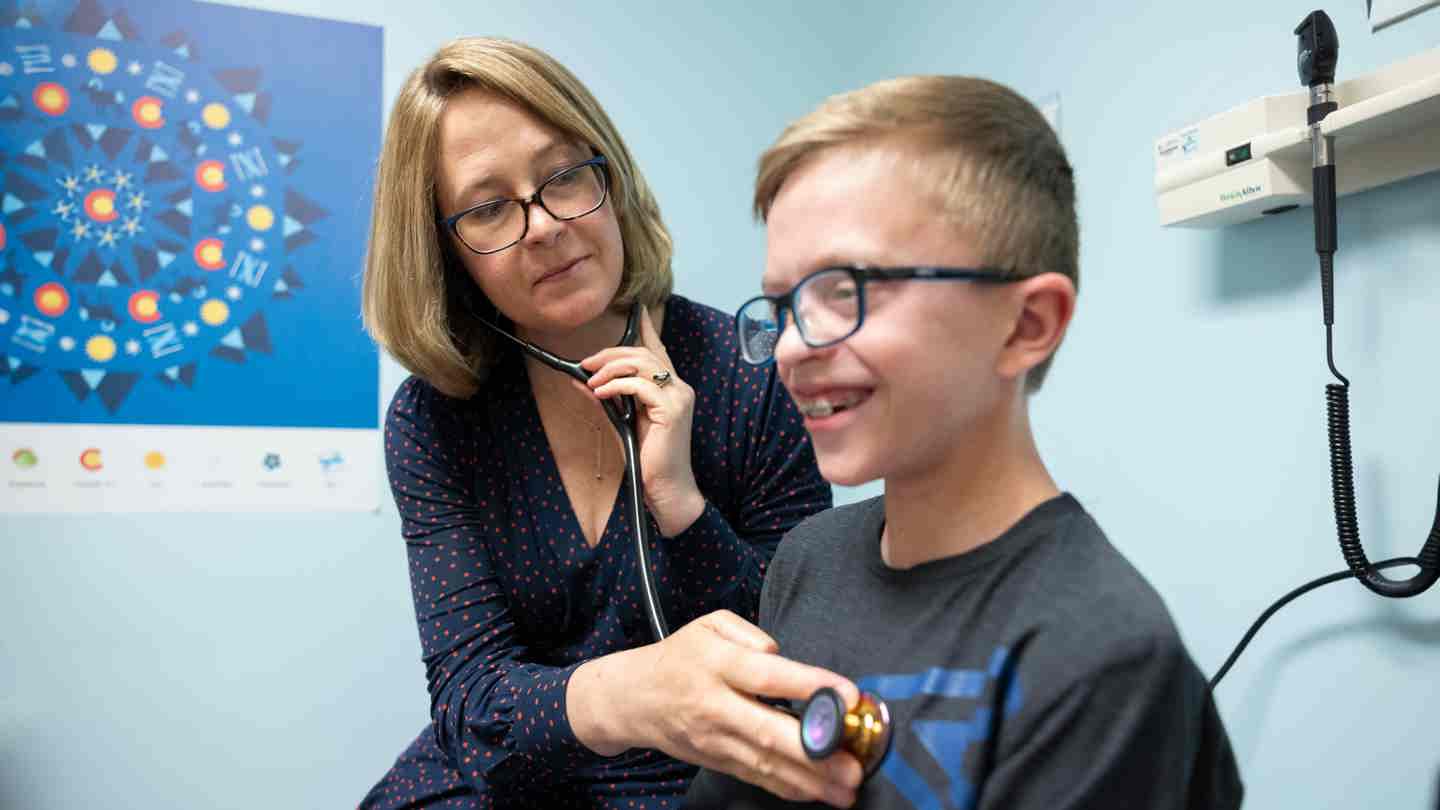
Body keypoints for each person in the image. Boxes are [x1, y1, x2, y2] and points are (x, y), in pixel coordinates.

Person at [686, 76, 1246, 808]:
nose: (791, 347)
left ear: (1026, 325)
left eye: (845, 289)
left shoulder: (1098, 659)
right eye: (786, 304)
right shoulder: (808, 562)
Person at [359, 37, 863, 809]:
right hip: (504, 785)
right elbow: (469, 705)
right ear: (443, 249)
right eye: (490, 206)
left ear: (610, 176)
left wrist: (682, 506)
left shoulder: (753, 374)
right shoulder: (435, 420)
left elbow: (799, 660)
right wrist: (635, 691)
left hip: (705, 787)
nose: (545, 225)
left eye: (563, 176)